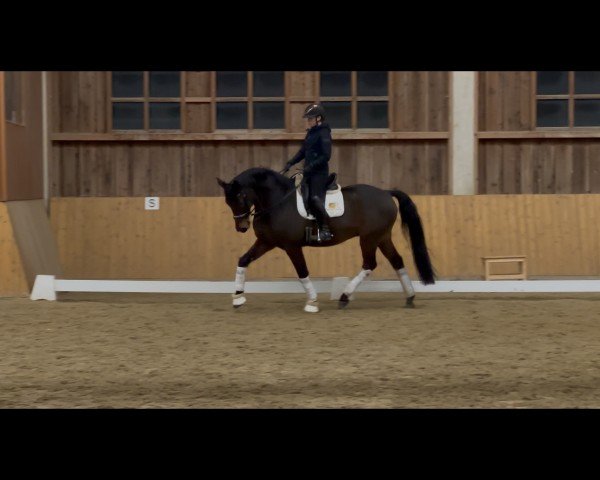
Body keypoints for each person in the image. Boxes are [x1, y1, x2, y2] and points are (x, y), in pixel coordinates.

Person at [283, 103, 333, 242]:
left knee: (314, 199)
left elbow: (326, 156)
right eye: (308, 118)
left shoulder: (324, 133)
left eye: (310, 118)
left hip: (319, 173)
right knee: (300, 195)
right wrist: (291, 162)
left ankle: (325, 230)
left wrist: (310, 166)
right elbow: (303, 151)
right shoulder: (311, 132)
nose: (308, 121)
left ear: (318, 118)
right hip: (308, 172)